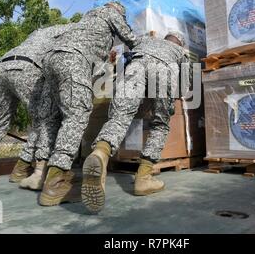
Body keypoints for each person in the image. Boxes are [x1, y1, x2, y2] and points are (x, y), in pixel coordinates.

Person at [38, 1, 141, 206]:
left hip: (50, 60)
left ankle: (45, 172)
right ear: (119, 11)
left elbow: (95, 61)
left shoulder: (85, 20)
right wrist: (144, 48)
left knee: (54, 118)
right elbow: (132, 38)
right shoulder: (110, 13)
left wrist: (109, 62)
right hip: (72, 59)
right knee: (76, 115)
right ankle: (54, 183)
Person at [0, 24, 76, 188]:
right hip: (26, 67)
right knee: (41, 120)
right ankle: (22, 168)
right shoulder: (67, 29)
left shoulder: (36, 32)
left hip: (0, 67)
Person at [81, 31, 191, 213]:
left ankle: (101, 152)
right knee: (160, 124)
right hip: (165, 72)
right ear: (179, 43)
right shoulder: (180, 53)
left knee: (119, 116)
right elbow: (184, 87)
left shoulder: (145, 39)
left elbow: (121, 53)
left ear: (165, 38)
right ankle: (144, 177)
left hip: (135, 68)